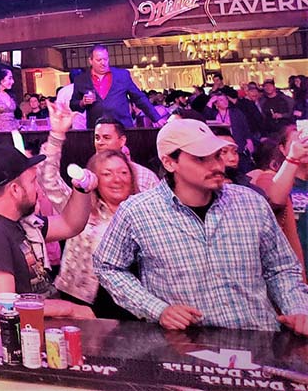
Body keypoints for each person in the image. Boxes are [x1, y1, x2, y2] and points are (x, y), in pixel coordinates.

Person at [94, 119, 308, 334]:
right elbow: (108, 267)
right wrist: (157, 309)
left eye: (217, 156)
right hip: (186, 345)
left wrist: (298, 309)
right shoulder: (137, 211)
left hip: (258, 337)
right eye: (201, 158)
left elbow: (281, 267)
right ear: (170, 162)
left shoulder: (251, 203)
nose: (216, 166)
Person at [0, 143, 96, 316]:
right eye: (33, 182)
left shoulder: (19, 222)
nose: (38, 189)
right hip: (20, 339)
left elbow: (71, 225)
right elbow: (7, 305)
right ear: (15, 190)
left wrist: (81, 189)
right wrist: (69, 309)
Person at [37, 103, 136, 318]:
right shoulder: (81, 207)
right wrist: (56, 134)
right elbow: (49, 180)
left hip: (127, 304)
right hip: (76, 296)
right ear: (94, 178)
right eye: (107, 174)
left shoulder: (142, 211)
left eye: (123, 173)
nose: (117, 179)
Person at [249, 124, 307, 271]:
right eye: (298, 141)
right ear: (282, 148)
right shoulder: (269, 177)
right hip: (293, 264)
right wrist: (293, 158)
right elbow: (274, 201)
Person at [70, 45, 162, 128]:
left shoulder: (122, 75)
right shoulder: (81, 80)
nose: (103, 63)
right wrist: (82, 102)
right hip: (97, 129)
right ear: (90, 61)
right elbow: (73, 105)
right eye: (99, 60)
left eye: (105, 59)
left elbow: (139, 98)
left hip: (122, 127)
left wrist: (155, 117)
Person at [87, 116, 159, 191]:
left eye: (106, 138)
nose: (100, 142)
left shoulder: (144, 177)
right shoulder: (88, 176)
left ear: (122, 141)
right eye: (97, 138)